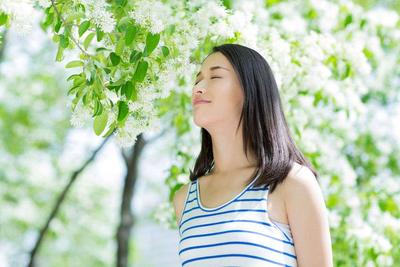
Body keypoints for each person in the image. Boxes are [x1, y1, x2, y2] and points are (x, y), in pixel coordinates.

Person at [172, 43, 333, 267]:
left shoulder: (292, 183)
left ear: (250, 90)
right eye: (198, 80)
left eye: (216, 77)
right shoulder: (184, 199)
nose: (198, 88)